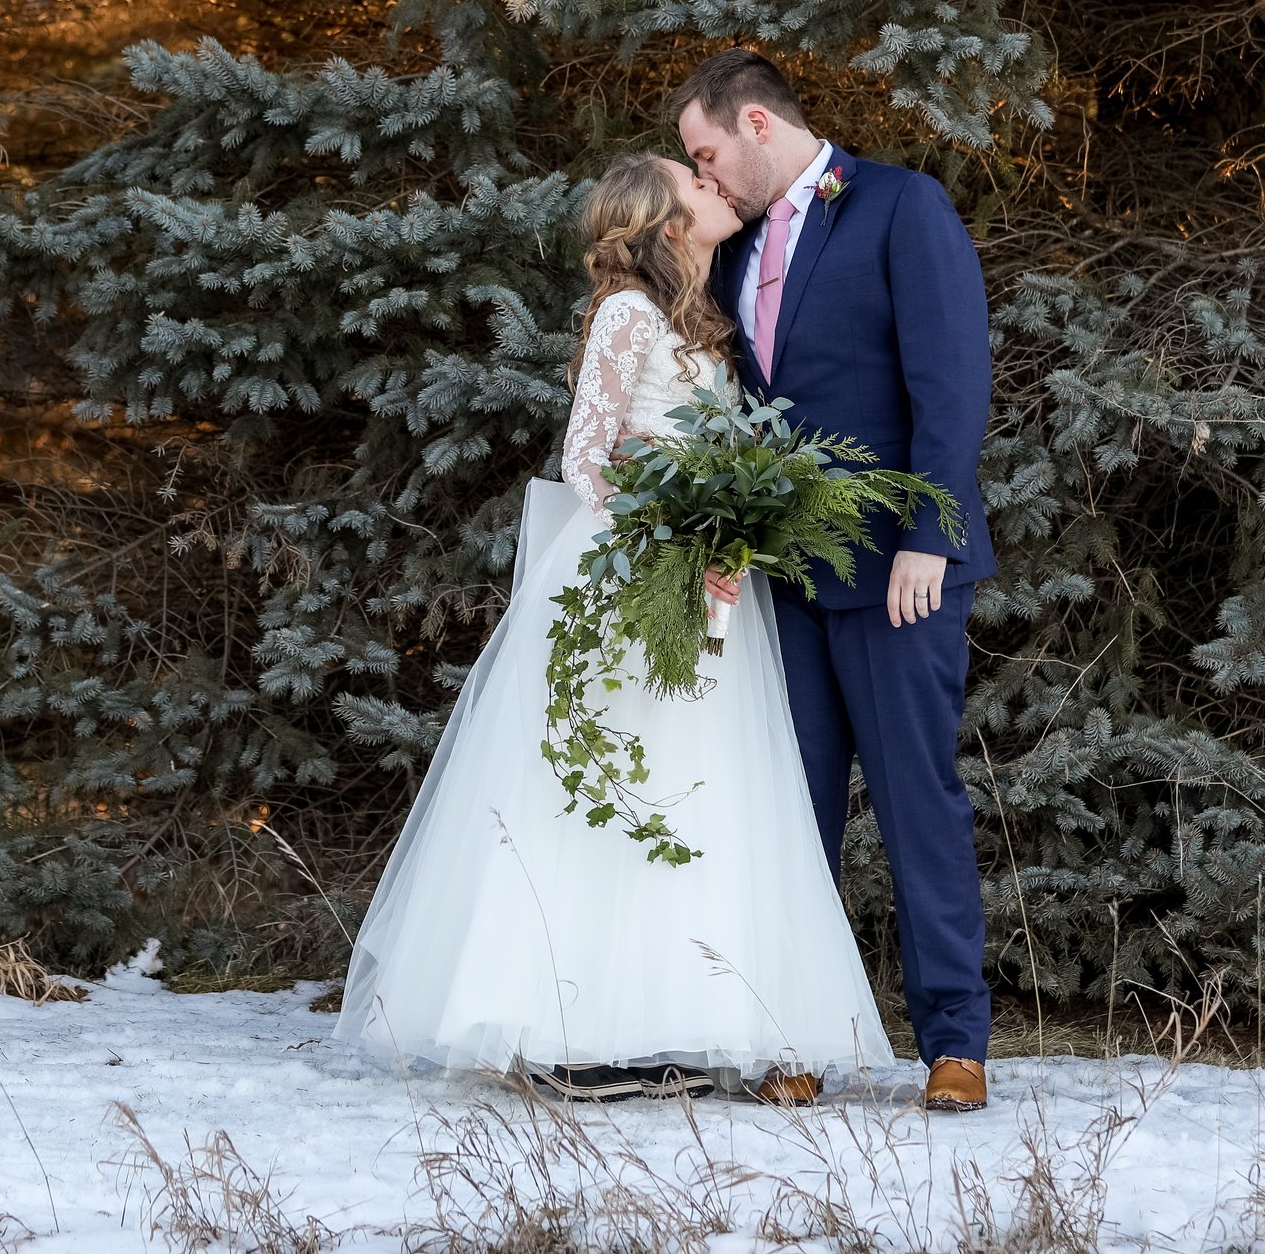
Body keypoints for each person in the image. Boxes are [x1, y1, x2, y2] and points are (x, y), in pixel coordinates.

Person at [334, 151, 891, 1102]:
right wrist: (677, 533)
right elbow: (587, 457)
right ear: (668, 224)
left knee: (697, 792)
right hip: (631, 583)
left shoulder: (706, 328)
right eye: (698, 185)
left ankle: (678, 1019)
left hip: (707, 587)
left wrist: (733, 528)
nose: (719, 190)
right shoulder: (629, 316)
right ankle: (576, 1029)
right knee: (609, 793)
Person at [674, 47, 998, 1114]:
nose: (704, 176)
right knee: (792, 812)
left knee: (916, 804)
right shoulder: (730, 244)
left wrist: (929, 537)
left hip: (897, 570)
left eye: (707, 152)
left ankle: (954, 1042)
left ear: (757, 123)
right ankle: (795, 1035)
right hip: (781, 577)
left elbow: (948, 380)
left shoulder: (901, 206)